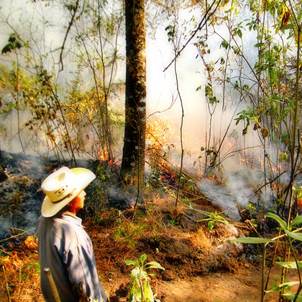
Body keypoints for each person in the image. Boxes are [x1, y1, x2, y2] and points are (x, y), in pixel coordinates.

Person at [37, 166, 108, 302]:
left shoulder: (44, 222)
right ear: (70, 201)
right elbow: (86, 290)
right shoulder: (73, 235)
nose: (84, 193)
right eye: (80, 191)